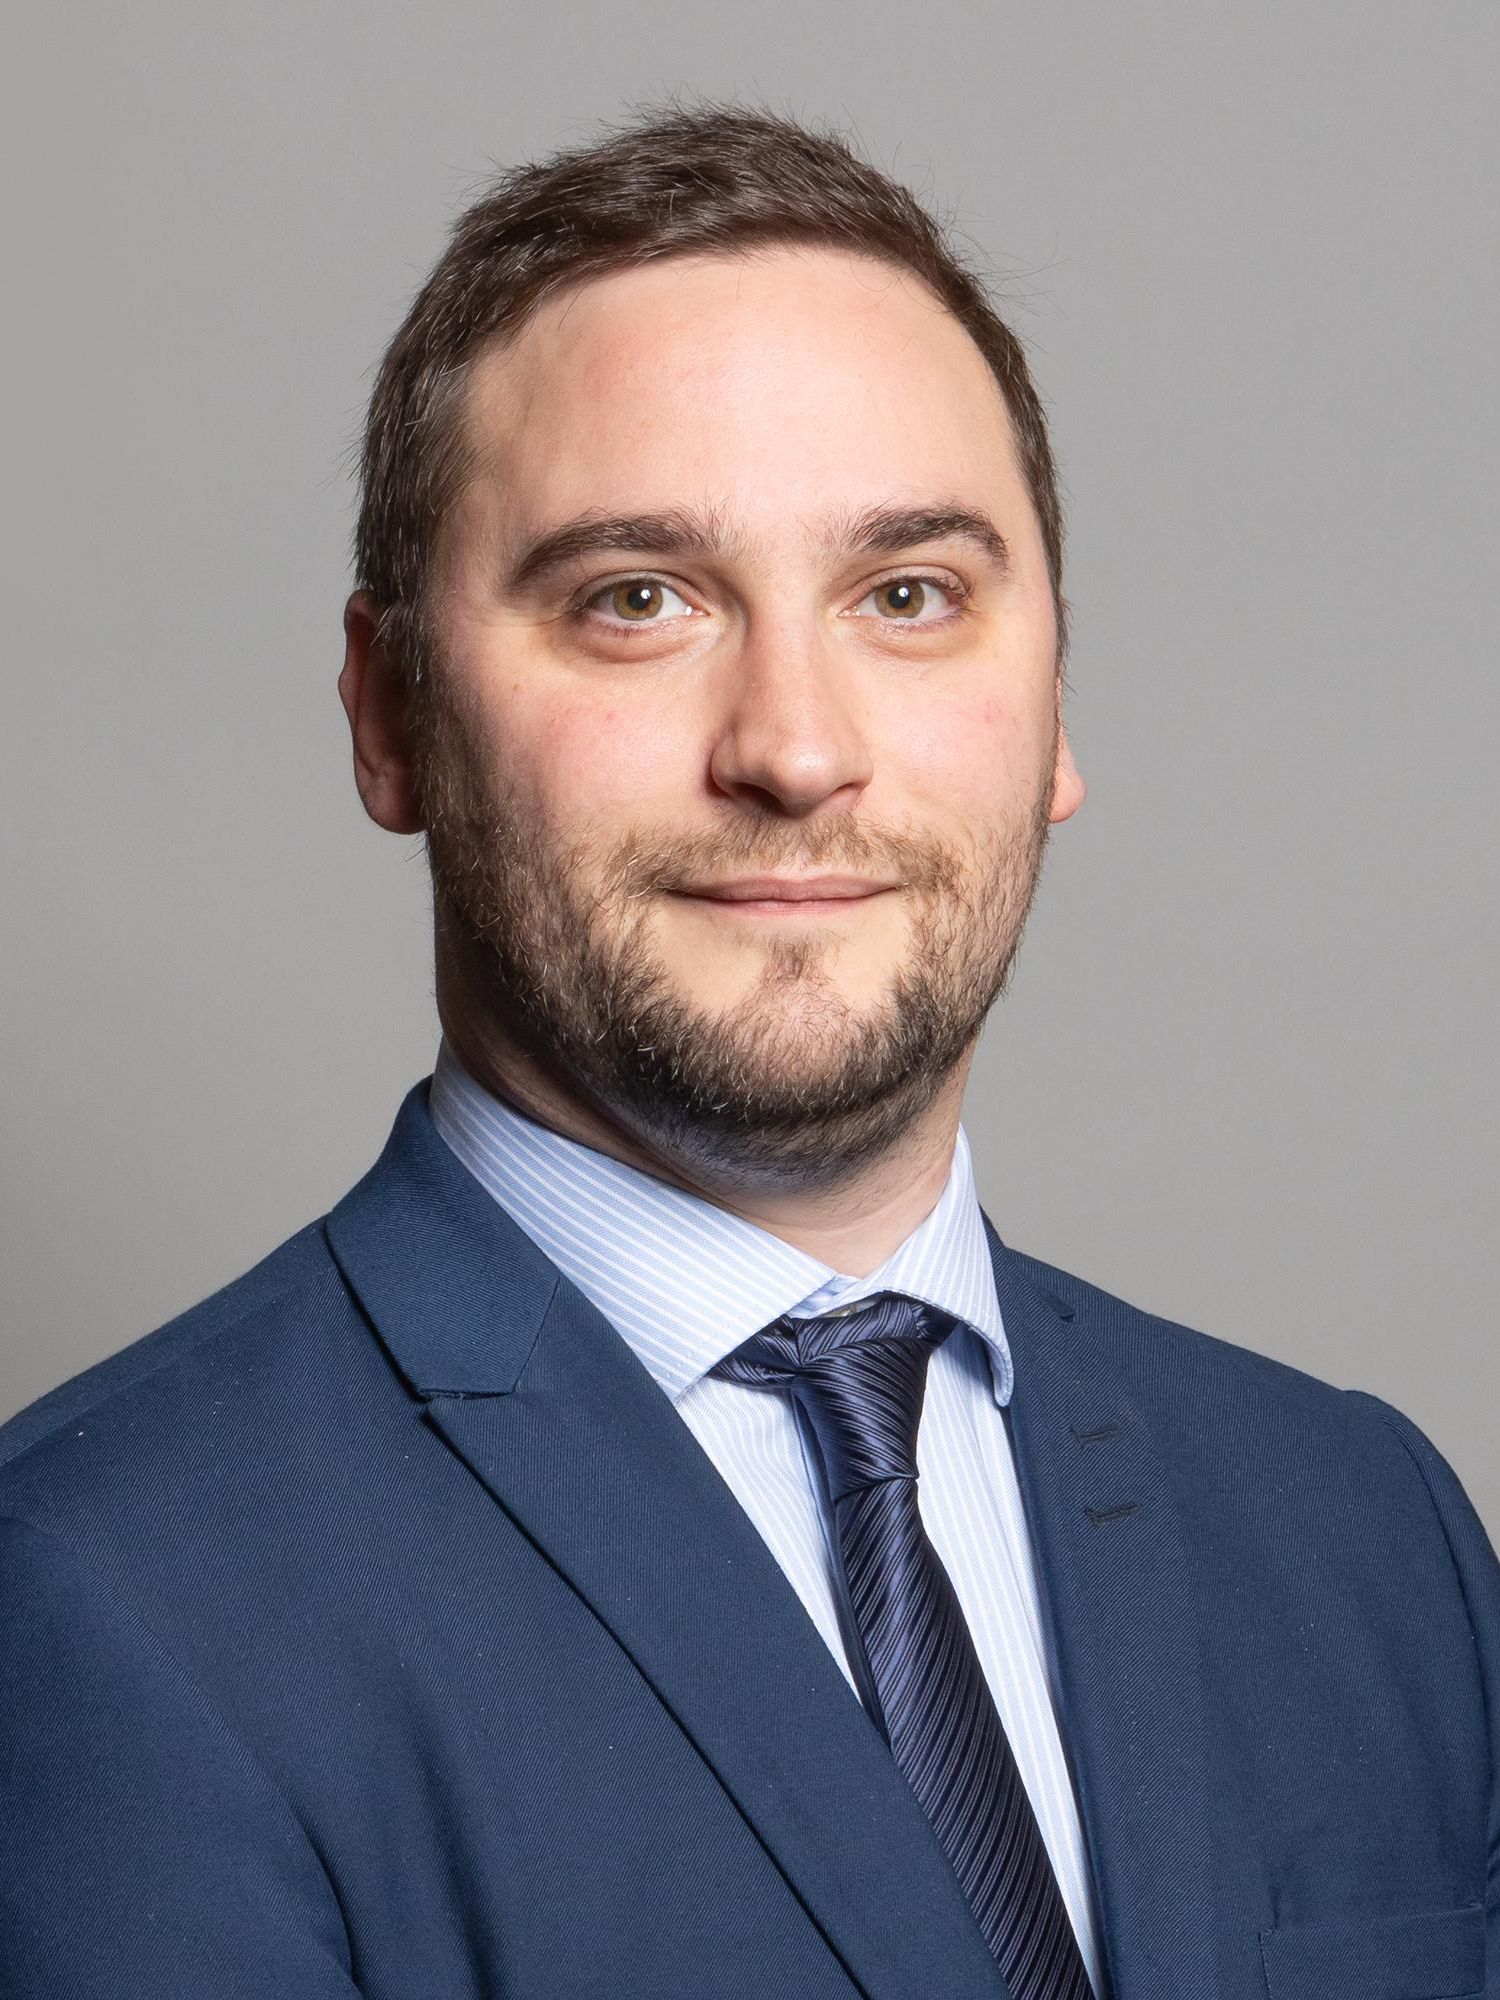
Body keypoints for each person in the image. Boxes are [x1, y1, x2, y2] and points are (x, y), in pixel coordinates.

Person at [1, 103, 1495, 2000]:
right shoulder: (95, 1612)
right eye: (638, 599)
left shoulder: (1369, 1538)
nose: (795, 746)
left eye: (908, 595)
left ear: (1052, 706)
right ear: (390, 718)